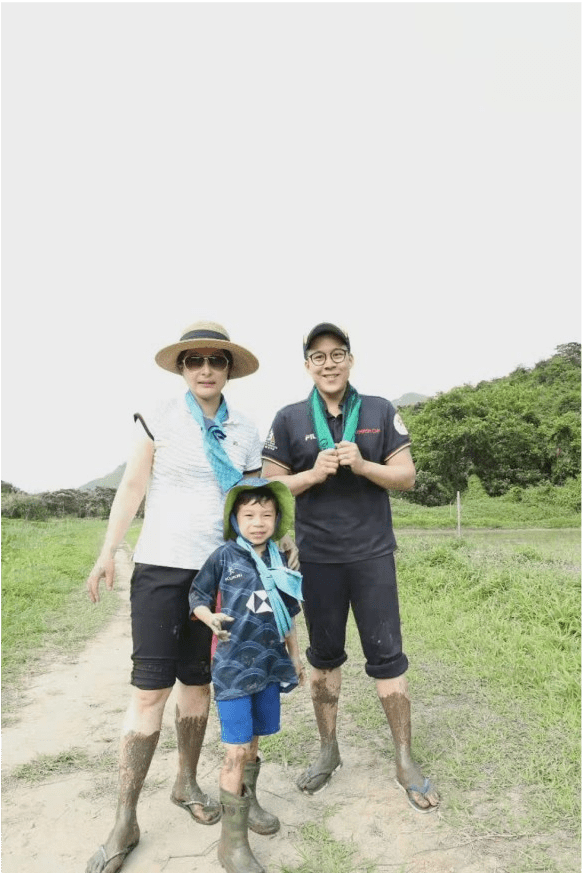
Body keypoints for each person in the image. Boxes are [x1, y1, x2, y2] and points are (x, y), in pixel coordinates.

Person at [85, 321, 275, 873]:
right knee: (149, 691)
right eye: (196, 361)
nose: (207, 369)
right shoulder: (160, 418)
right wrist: (107, 551)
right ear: (183, 368)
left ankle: (187, 783)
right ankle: (125, 818)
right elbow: (133, 486)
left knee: (200, 683)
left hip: (220, 574)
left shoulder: (245, 428)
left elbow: (250, 503)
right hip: (161, 569)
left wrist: (267, 560)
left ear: (230, 369)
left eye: (217, 361)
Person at [261, 322, 440, 813]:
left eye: (336, 353)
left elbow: (406, 476)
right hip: (317, 559)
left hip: (372, 555)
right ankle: (328, 750)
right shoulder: (289, 418)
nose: (328, 363)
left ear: (350, 359)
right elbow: (271, 489)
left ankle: (404, 758)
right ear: (307, 366)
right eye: (317, 357)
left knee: (388, 657)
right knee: (323, 659)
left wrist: (363, 466)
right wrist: (313, 474)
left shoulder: (379, 411)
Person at [189, 478, 304, 873]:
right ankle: (232, 845)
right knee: (235, 750)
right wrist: (208, 617)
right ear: (235, 519)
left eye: (266, 515)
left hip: (268, 667)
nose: (258, 522)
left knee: (254, 744)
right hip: (234, 668)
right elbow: (197, 596)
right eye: (249, 515)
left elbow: (288, 616)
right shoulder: (223, 557)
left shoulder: (281, 561)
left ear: (277, 520)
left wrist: (295, 656)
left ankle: (249, 802)